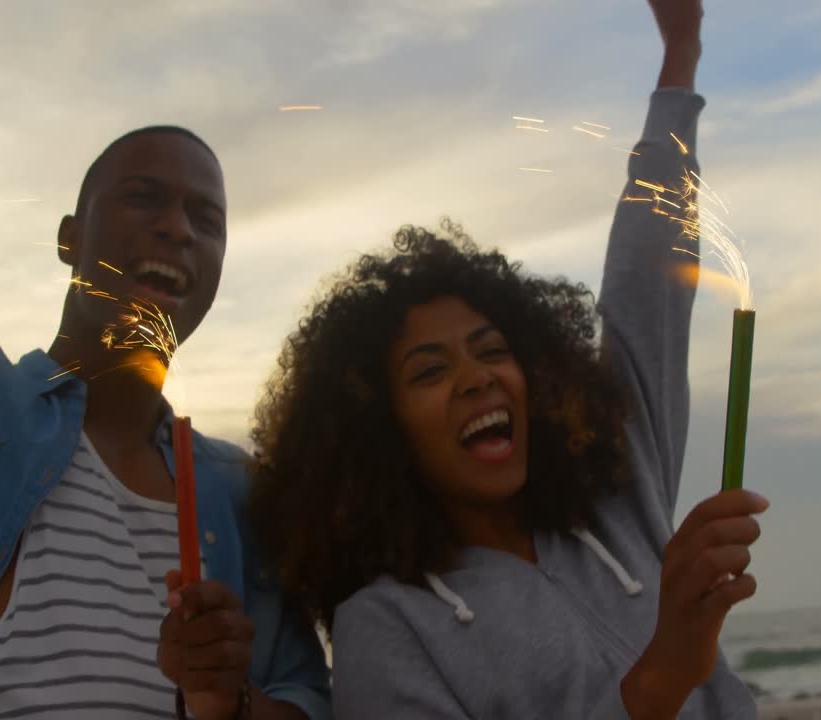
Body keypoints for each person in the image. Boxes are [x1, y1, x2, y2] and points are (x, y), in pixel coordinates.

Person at [249, 1, 767, 717]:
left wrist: (680, 53)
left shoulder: (618, 500)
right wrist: (663, 672)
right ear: (380, 432)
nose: (476, 377)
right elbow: (662, 676)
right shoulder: (385, 627)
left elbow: (647, 293)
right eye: (430, 371)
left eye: (493, 351)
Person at [0, 126, 330, 719]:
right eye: (144, 197)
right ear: (70, 238)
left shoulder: (248, 495)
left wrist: (234, 701)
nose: (178, 228)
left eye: (207, 220)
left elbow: (310, 704)